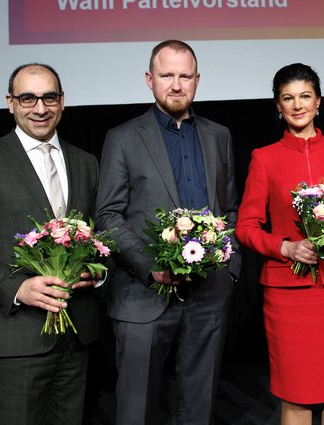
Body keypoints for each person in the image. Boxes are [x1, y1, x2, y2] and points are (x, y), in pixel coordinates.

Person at [0, 63, 100, 425]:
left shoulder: (86, 162)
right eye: (27, 97)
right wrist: (19, 288)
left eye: (49, 97)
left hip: (77, 337)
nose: (40, 107)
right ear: (10, 103)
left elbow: (99, 237)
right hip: (14, 337)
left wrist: (97, 273)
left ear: (62, 102)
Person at [96, 40, 240, 425]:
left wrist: (229, 268)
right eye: (167, 75)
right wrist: (150, 267)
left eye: (185, 76)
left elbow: (230, 210)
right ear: (149, 79)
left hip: (208, 293)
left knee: (198, 407)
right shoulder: (123, 137)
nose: (176, 85)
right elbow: (108, 216)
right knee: (136, 410)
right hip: (143, 293)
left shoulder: (219, 135)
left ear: (197, 80)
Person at [235, 63, 324, 425]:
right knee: (295, 398)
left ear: (318, 102)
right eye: (288, 98)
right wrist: (285, 248)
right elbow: (246, 227)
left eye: (305, 96)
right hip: (288, 296)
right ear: (277, 106)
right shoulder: (264, 158)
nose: (297, 105)